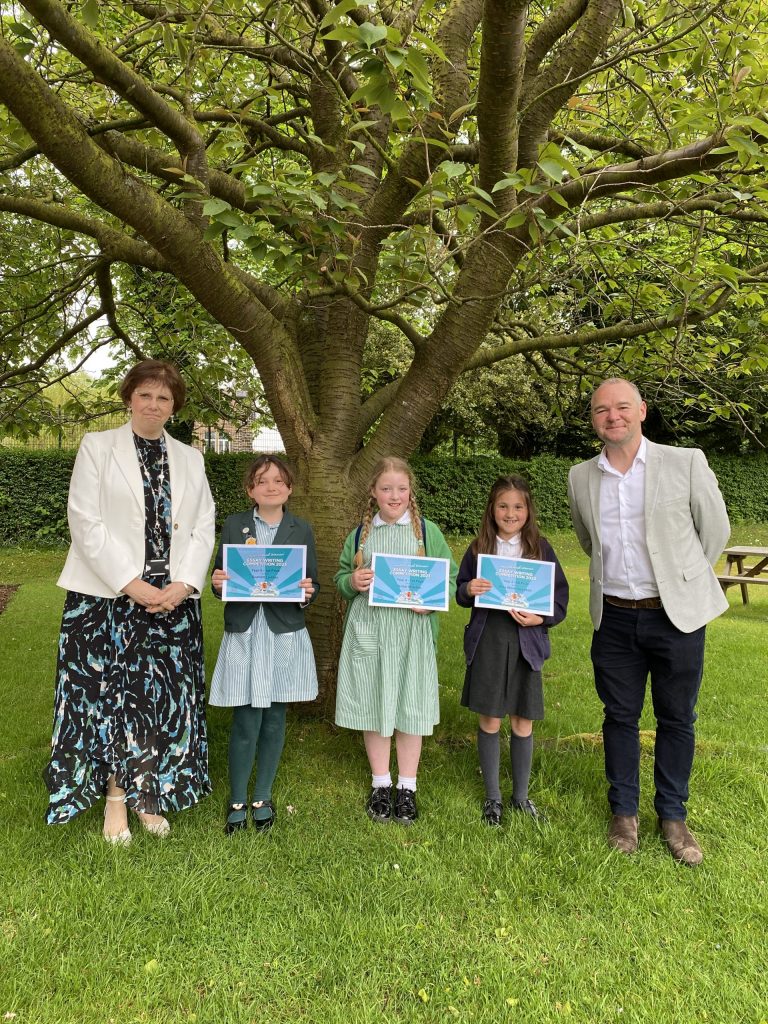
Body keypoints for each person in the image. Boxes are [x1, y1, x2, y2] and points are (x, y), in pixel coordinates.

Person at [45, 360, 216, 842]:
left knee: (156, 699)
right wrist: (130, 583)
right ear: (129, 398)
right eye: (145, 395)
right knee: (113, 698)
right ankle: (115, 800)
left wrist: (183, 584)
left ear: (174, 406)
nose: (154, 404)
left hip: (172, 602)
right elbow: (85, 521)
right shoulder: (97, 447)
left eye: (163, 398)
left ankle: (148, 794)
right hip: (106, 600)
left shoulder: (191, 457)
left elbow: (203, 525)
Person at [568, 378, 730, 865]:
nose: (612, 416)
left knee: (677, 717)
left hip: (675, 617)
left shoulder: (684, 462)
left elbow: (715, 529)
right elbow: (585, 539)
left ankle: (673, 815)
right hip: (614, 617)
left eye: (621, 407)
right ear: (593, 419)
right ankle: (624, 813)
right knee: (619, 717)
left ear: (641, 410)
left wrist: (680, 583)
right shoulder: (580, 476)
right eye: (601, 410)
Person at [334, 457, 457, 825]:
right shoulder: (359, 535)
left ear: (410, 492)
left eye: (401, 489)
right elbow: (342, 577)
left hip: (411, 636)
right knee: (373, 703)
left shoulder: (427, 533)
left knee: (410, 707)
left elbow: (447, 580)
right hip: (370, 633)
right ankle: (380, 783)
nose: (394, 496)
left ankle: (407, 787)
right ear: (373, 492)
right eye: (386, 488)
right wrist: (351, 582)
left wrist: (432, 602)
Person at [209, 455, 319, 835]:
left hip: (283, 633)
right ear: (249, 489)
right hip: (245, 631)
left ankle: (263, 795)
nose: (270, 487)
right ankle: (237, 797)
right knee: (245, 716)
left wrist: (306, 592)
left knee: (274, 715)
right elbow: (220, 576)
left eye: (278, 480)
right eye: (262, 481)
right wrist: (218, 582)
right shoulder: (235, 526)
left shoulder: (300, 529)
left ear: (289, 487)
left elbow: (312, 583)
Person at [456, 475, 569, 825]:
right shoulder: (478, 549)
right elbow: (461, 591)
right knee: (490, 717)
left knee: (522, 719)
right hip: (489, 639)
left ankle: (520, 796)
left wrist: (540, 618)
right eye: (503, 505)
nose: (510, 513)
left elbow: (559, 600)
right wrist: (469, 588)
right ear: (492, 509)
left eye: (518, 506)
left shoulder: (540, 549)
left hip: (525, 644)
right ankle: (493, 797)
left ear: (528, 511)